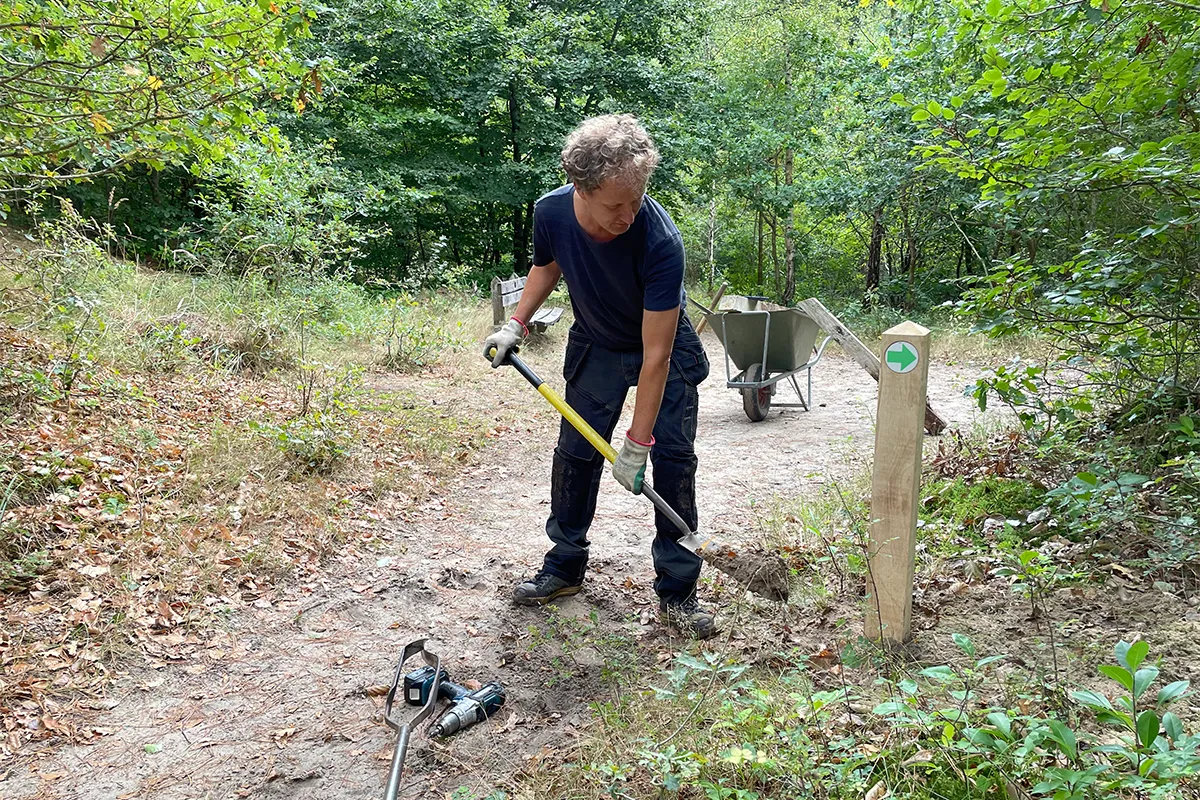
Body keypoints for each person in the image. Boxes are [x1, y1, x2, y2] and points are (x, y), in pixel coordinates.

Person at [482, 114, 716, 639]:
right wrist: (514, 324)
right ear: (580, 188)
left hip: (664, 346)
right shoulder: (551, 212)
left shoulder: (660, 241)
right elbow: (547, 265)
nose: (629, 214)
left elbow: (655, 356)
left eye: (637, 199)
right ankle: (564, 566)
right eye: (616, 204)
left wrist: (637, 442)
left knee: (674, 461)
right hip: (596, 340)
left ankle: (678, 591)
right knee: (575, 454)